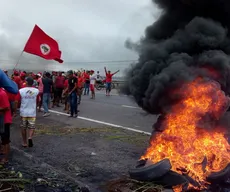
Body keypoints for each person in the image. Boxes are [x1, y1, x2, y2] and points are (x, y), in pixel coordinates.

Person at [18, 77, 39, 148]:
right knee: (32, 127)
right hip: (32, 112)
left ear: (26, 82)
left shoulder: (21, 90)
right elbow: (38, 99)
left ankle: (24, 142)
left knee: (23, 127)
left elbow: (18, 100)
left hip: (23, 112)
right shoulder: (36, 90)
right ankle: (30, 137)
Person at [0, 88, 12, 164]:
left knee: (5, 140)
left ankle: (6, 158)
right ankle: (3, 151)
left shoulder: (2, 93)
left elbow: (6, 107)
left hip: (4, 120)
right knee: (3, 138)